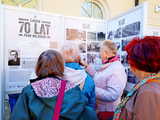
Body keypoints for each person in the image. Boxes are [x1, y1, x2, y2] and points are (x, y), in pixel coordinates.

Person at [11, 50, 98, 120]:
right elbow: (88, 114)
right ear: (61, 67)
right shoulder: (73, 89)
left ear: (38, 67)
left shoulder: (29, 91)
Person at [113, 36, 160, 120]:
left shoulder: (149, 91)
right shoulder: (149, 84)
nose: (130, 67)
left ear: (139, 62)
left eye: (130, 61)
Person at [82, 40, 127, 120]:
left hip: (109, 113)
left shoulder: (116, 69)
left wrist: (91, 88)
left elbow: (112, 95)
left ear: (106, 53)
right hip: (102, 110)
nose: (99, 54)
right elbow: (99, 77)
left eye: (100, 51)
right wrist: (87, 66)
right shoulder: (110, 65)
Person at [61, 43, 96, 109]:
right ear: (78, 57)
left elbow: (55, 106)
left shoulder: (57, 77)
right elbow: (92, 106)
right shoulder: (88, 79)